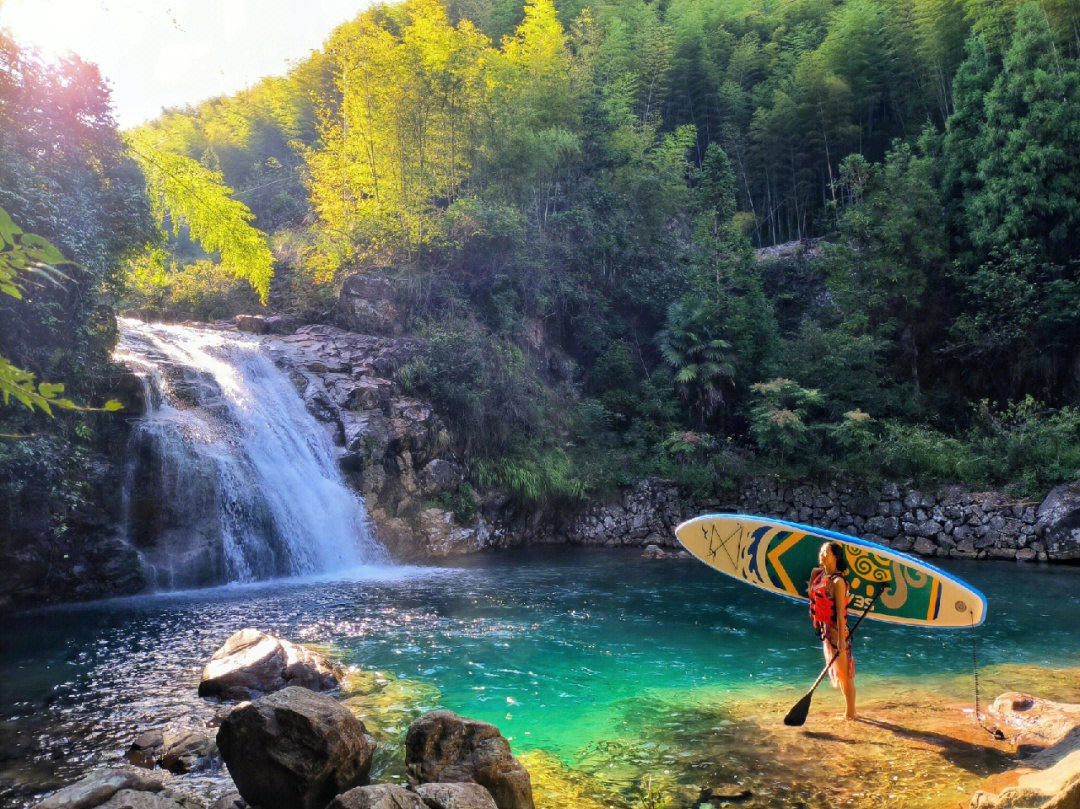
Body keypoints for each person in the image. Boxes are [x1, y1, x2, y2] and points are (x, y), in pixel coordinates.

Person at [808, 541, 856, 720]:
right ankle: (849, 711)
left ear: (835, 557)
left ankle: (851, 713)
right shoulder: (817, 575)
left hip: (836, 630)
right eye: (820, 551)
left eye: (826, 552)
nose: (821, 554)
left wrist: (842, 639)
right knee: (838, 671)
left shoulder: (838, 582)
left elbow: (839, 613)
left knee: (845, 674)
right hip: (825, 630)